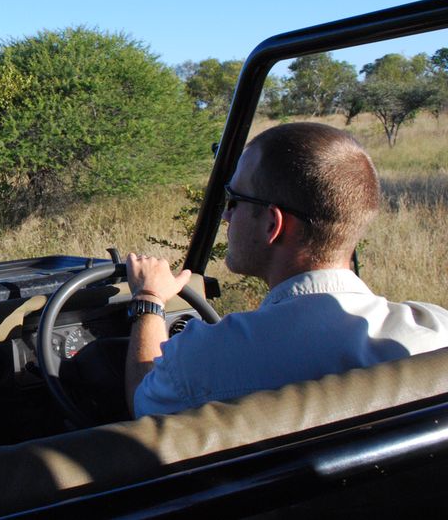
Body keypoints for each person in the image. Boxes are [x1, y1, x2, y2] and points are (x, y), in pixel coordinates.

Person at [124, 121, 448, 419]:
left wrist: (150, 300)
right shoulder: (435, 331)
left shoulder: (203, 360)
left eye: (234, 200)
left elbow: (145, 407)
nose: (225, 216)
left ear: (272, 224)